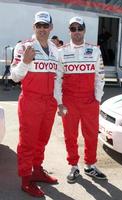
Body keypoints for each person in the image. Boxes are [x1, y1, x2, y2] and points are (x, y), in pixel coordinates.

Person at [11, 11, 58, 197]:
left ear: (51, 27)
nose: (42, 29)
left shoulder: (55, 49)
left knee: (42, 139)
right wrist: (24, 62)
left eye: (45, 26)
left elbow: (59, 78)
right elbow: (15, 77)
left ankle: (37, 170)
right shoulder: (24, 47)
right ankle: (25, 180)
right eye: (38, 25)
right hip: (31, 101)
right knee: (27, 142)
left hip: (49, 102)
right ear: (34, 27)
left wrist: (59, 101)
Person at [54, 16, 106, 184]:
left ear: (84, 30)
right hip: (69, 102)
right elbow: (57, 79)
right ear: (69, 31)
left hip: (90, 100)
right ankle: (73, 166)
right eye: (73, 29)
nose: (76, 32)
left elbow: (100, 76)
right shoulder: (61, 51)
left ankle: (90, 165)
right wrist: (59, 102)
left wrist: (97, 98)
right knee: (70, 135)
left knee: (91, 135)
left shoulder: (95, 50)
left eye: (79, 28)